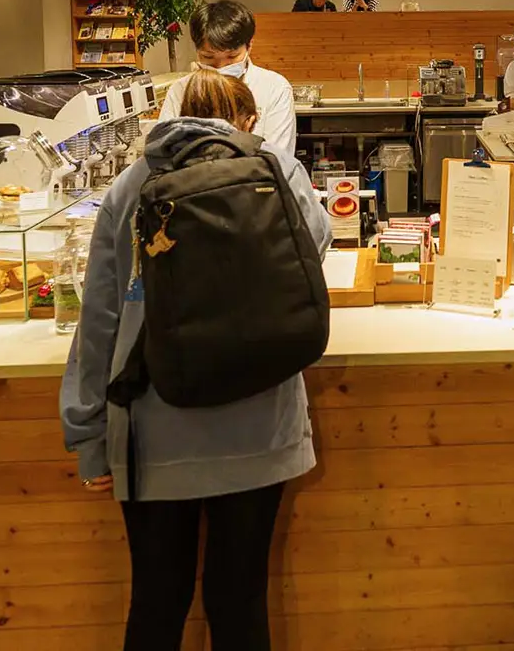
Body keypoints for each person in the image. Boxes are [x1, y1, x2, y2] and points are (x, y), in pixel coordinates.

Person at [61, 72, 331, 650]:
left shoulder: (130, 184)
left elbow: (100, 320)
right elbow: (316, 248)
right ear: (250, 119)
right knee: (241, 600)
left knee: (158, 602)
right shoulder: (281, 171)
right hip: (264, 424)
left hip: (154, 433)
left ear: (170, 114)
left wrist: (87, 434)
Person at [157, 0, 296, 150]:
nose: (221, 68)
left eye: (232, 57)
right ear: (197, 51)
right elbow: (162, 150)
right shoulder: (181, 89)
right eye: (209, 58)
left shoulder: (274, 88)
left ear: (249, 46)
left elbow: (278, 158)